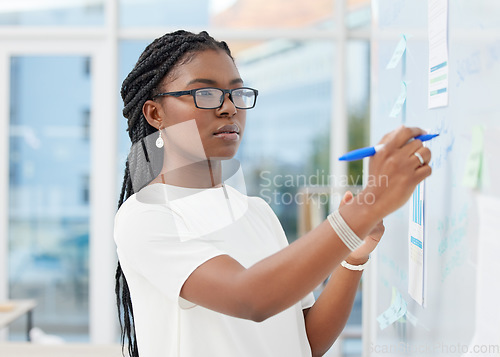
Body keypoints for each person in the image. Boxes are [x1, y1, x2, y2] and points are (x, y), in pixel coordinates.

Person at [114, 30, 432, 357]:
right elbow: (250, 297)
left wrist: (353, 258)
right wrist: (366, 208)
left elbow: (308, 341)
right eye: (205, 94)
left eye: (237, 94)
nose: (228, 108)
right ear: (155, 114)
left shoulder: (256, 211)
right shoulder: (146, 217)